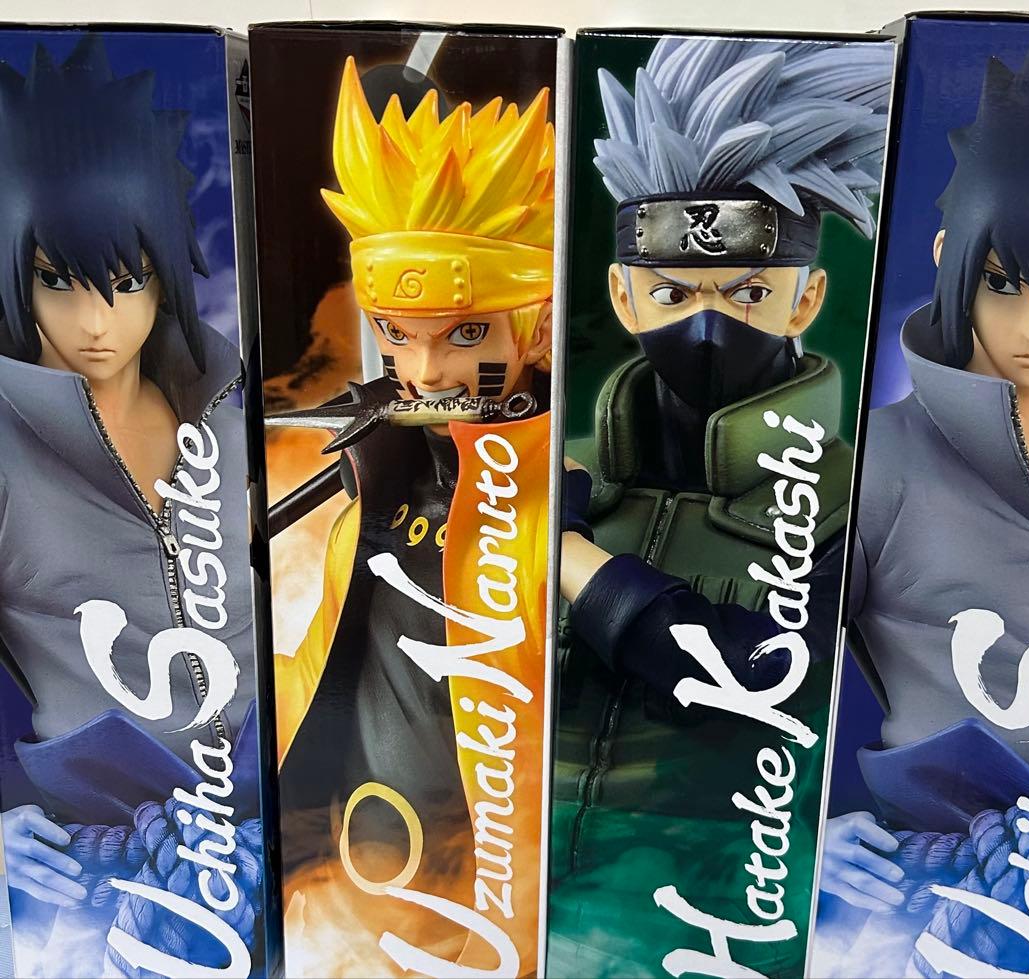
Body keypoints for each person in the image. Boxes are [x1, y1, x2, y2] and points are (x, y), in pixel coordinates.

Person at [549, 34, 892, 974]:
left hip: (719, 915)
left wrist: (570, 558)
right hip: (527, 894)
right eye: (670, 290)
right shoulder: (569, 474)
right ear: (623, 296)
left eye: (748, 292)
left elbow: (760, 673)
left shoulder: (851, 494)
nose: (707, 324)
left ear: (805, 299)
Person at [270, 56, 555, 971]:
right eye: (398, 333)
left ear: (536, 327)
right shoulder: (375, 489)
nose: (426, 372)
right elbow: (316, 670)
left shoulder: (553, 508)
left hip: (496, 913)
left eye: (466, 333)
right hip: (344, 889)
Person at [817, 39, 1029, 978]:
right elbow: (758, 665)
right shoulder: (880, 461)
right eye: (1003, 282)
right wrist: (806, 831)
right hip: (939, 889)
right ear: (948, 259)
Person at [0, 35, 261, 977]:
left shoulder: (236, 405)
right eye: (56, 280)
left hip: (272, 826)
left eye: (126, 280)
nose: (96, 322)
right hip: (90, 859)